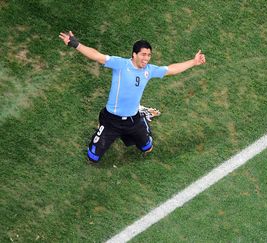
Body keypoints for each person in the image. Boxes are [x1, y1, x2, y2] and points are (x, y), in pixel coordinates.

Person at [59, 31, 206, 164]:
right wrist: (75, 44)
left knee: (147, 148)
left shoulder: (149, 70)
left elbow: (171, 69)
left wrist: (193, 62)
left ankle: (143, 116)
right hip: (111, 120)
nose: (146, 58)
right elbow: (96, 56)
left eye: (149, 55)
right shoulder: (120, 64)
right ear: (134, 54)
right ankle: (114, 124)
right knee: (92, 158)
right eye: (143, 54)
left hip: (132, 120)